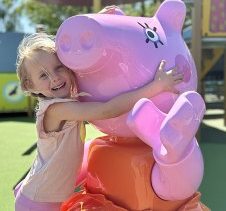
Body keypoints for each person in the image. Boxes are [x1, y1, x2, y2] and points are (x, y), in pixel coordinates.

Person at [14, 32, 183, 211]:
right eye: (43, 75)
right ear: (30, 86)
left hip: (44, 197)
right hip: (37, 202)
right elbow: (107, 109)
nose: (54, 77)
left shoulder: (65, 102)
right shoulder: (56, 110)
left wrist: (94, 31)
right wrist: (156, 86)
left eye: (59, 67)